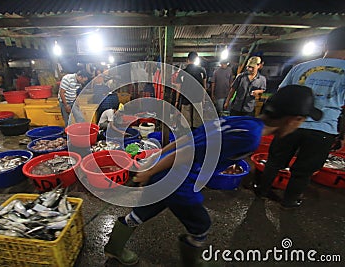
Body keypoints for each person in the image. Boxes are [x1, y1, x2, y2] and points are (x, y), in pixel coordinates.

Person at [104, 84, 321, 266]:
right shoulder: (250, 137)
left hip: (166, 176)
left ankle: (114, 248)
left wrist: (158, 157)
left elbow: (189, 138)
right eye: (302, 121)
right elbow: (189, 151)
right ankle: (193, 262)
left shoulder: (241, 121)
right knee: (201, 226)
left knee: (142, 212)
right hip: (181, 183)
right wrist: (149, 170)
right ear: (293, 119)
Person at [255, 26, 345, 208]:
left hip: (290, 124)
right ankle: (290, 201)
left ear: (326, 44)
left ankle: (261, 192)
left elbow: (281, 94)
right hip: (323, 128)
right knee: (303, 170)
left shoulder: (301, 67)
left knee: (274, 162)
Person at [176, 52, 207, 129]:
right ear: (196, 59)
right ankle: (197, 138)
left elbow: (178, 88)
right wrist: (203, 99)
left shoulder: (182, 72)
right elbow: (204, 87)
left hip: (185, 99)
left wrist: (177, 101)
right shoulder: (202, 71)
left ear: (187, 60)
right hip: (198, 99)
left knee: (186, 124)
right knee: (198, 123)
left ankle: (188, 139)